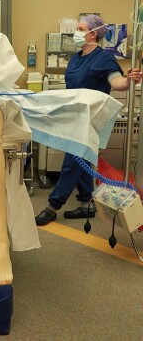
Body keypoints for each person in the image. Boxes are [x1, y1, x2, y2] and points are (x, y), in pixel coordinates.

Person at [35, 14, 143, 226]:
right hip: (74, 115)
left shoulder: (104, 58)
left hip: (90, 118)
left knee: (73, 161)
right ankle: (87, 204)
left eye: (81, 29)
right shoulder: (76, 57)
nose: (77, 33)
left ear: (94, 34)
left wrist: (129, 80)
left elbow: (117, 82)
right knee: (82, 160)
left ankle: (52, 206)